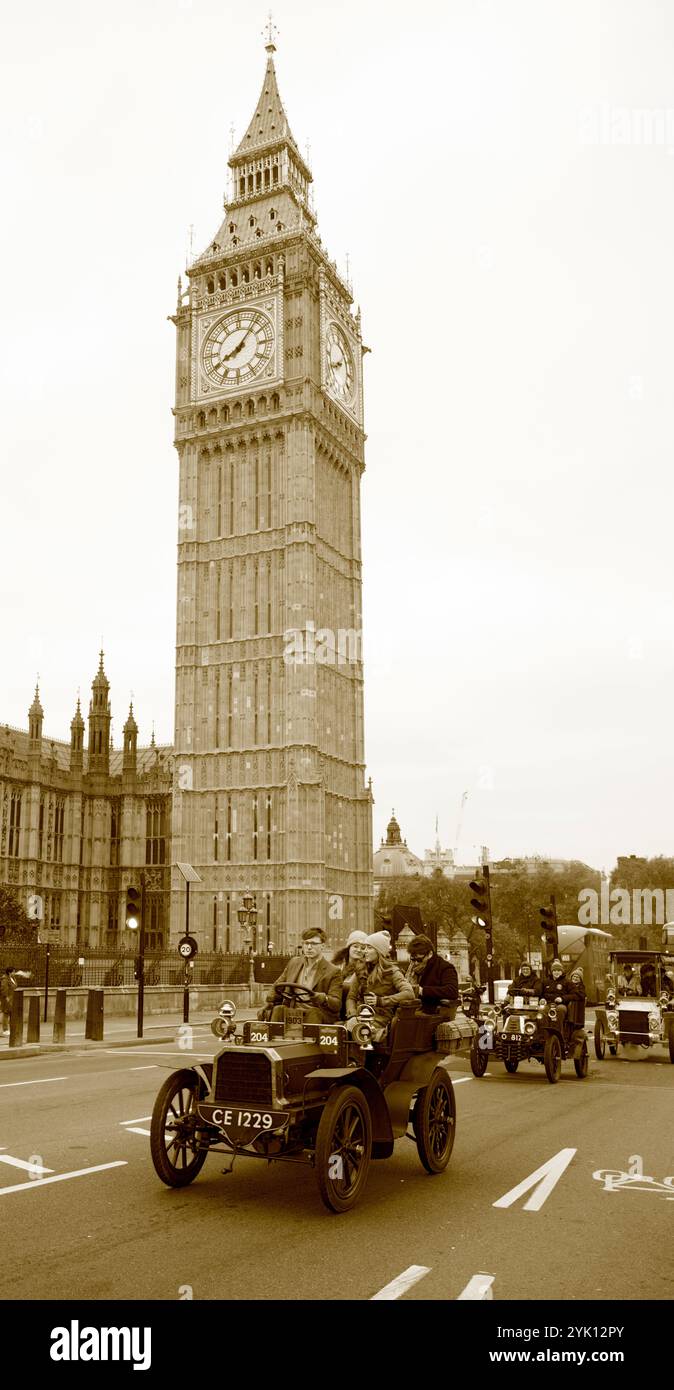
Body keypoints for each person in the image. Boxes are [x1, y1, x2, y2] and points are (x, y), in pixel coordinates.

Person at [345, 931, 414, 1040]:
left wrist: (381, 1001)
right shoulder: (361, 970)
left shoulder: (392, 972)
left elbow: (409, 993)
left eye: (369, 948)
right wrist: (352, 1015)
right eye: (365, 948)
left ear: (379, 951)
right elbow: (351, 997)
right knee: (341, 1031)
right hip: (359, 1015)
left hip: (380, 1017)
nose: (365, 952)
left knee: (359, 1031)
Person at [264, 928, 341, 1024]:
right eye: (306, 943)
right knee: (278, 1010)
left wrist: (323, 998)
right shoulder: (294, 962)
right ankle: (272, 1038)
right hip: (294, 1011)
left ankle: (309, 1039)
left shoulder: (333, 971)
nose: (309, 947)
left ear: (323, 946)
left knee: (313, 1013)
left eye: (313, 944)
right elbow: (277, 985)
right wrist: (269, 1000)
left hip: (318, 1012)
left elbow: (336, 1004)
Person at [405, 934, 459, 1014]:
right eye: (413, 959)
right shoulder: (412, 968)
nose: (415, 963)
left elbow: (452, 991)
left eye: (419, 960)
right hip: (412, 1008)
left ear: (430, 954)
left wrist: (422, 991)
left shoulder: (445, 968)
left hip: (431, 1012)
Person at [0, 966, 32, 1034]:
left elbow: (14, 986)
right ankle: (5, 1030)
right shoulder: (4, 979)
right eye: (13, 972)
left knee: (12, 1013)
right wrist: (6, 997)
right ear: (9, 972)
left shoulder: (12, 978)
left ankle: (12, 1027)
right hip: (7, 998)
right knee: (6, 1013)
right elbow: (3, 989)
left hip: (12, 998)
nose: (14, 973)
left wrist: (24, 974)